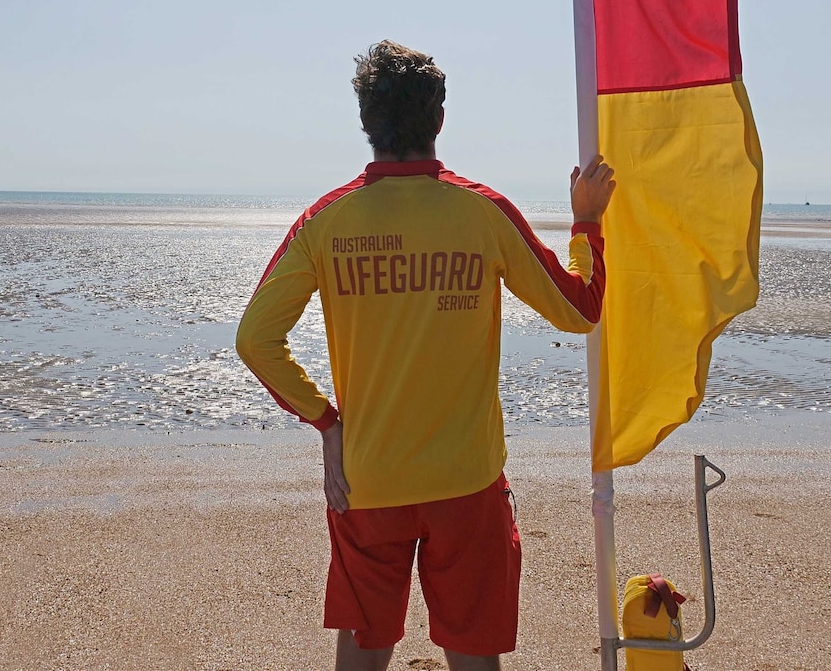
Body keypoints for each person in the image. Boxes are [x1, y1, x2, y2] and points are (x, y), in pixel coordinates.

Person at [236, 40, 615, 671]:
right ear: (438, 120)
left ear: (365, 123)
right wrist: (586, 225)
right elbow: (579, 310)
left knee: (364, 643)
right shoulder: (482, 211)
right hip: (465, 479)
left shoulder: (325, 221)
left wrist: (327, 420)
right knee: (471, 651)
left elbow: (255, 340)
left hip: (369, 476)